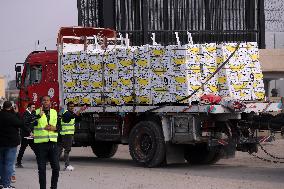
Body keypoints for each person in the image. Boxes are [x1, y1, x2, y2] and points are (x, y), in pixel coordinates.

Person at [33, 96, 60, 189]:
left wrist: (54, 128)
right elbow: (29, 122)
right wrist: (38, 116)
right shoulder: (36, 112)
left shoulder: (54, 112)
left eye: (47, 100)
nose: (46, 102)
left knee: (56, 167)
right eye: (44, 100)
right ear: (41, 102)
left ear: (50, 102)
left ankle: (53, 187)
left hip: (52, 143)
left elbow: (60, 126)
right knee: (41, 169)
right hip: (40, 144)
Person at [0, 101, 23, 189]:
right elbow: (21, 123)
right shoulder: (12, 116)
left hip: (1, 143)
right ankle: (6, 185)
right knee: (9, 164)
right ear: (11, 107)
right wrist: (17, 113)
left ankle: (2, 183)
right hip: (11, 144)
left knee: (1, 163)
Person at [58, 102, 86, 171]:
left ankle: (54, 163)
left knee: (59, 150)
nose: (72, 107)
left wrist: (80, 113)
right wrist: (80, 110)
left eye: (73, 106)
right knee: (67, 150)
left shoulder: (67, 113)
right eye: (70, 106)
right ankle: (67, 165)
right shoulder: (66, 113)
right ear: (67, 107)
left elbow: (78, 118)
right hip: (67, 134)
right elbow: (73, 116)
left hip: (65, 134)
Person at [16, 103, 37, 168]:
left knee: (35, 148)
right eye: (33, 107)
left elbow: (33, 121)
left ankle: (41, 160)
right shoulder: (26, 114)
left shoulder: (32, 113)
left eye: (34, 107)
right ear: (29, 107)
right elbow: (24, 125)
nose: (34, 108)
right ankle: (18, 162)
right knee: (23, 149)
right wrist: (30, 131)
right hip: (25, 135)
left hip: (30, 135)